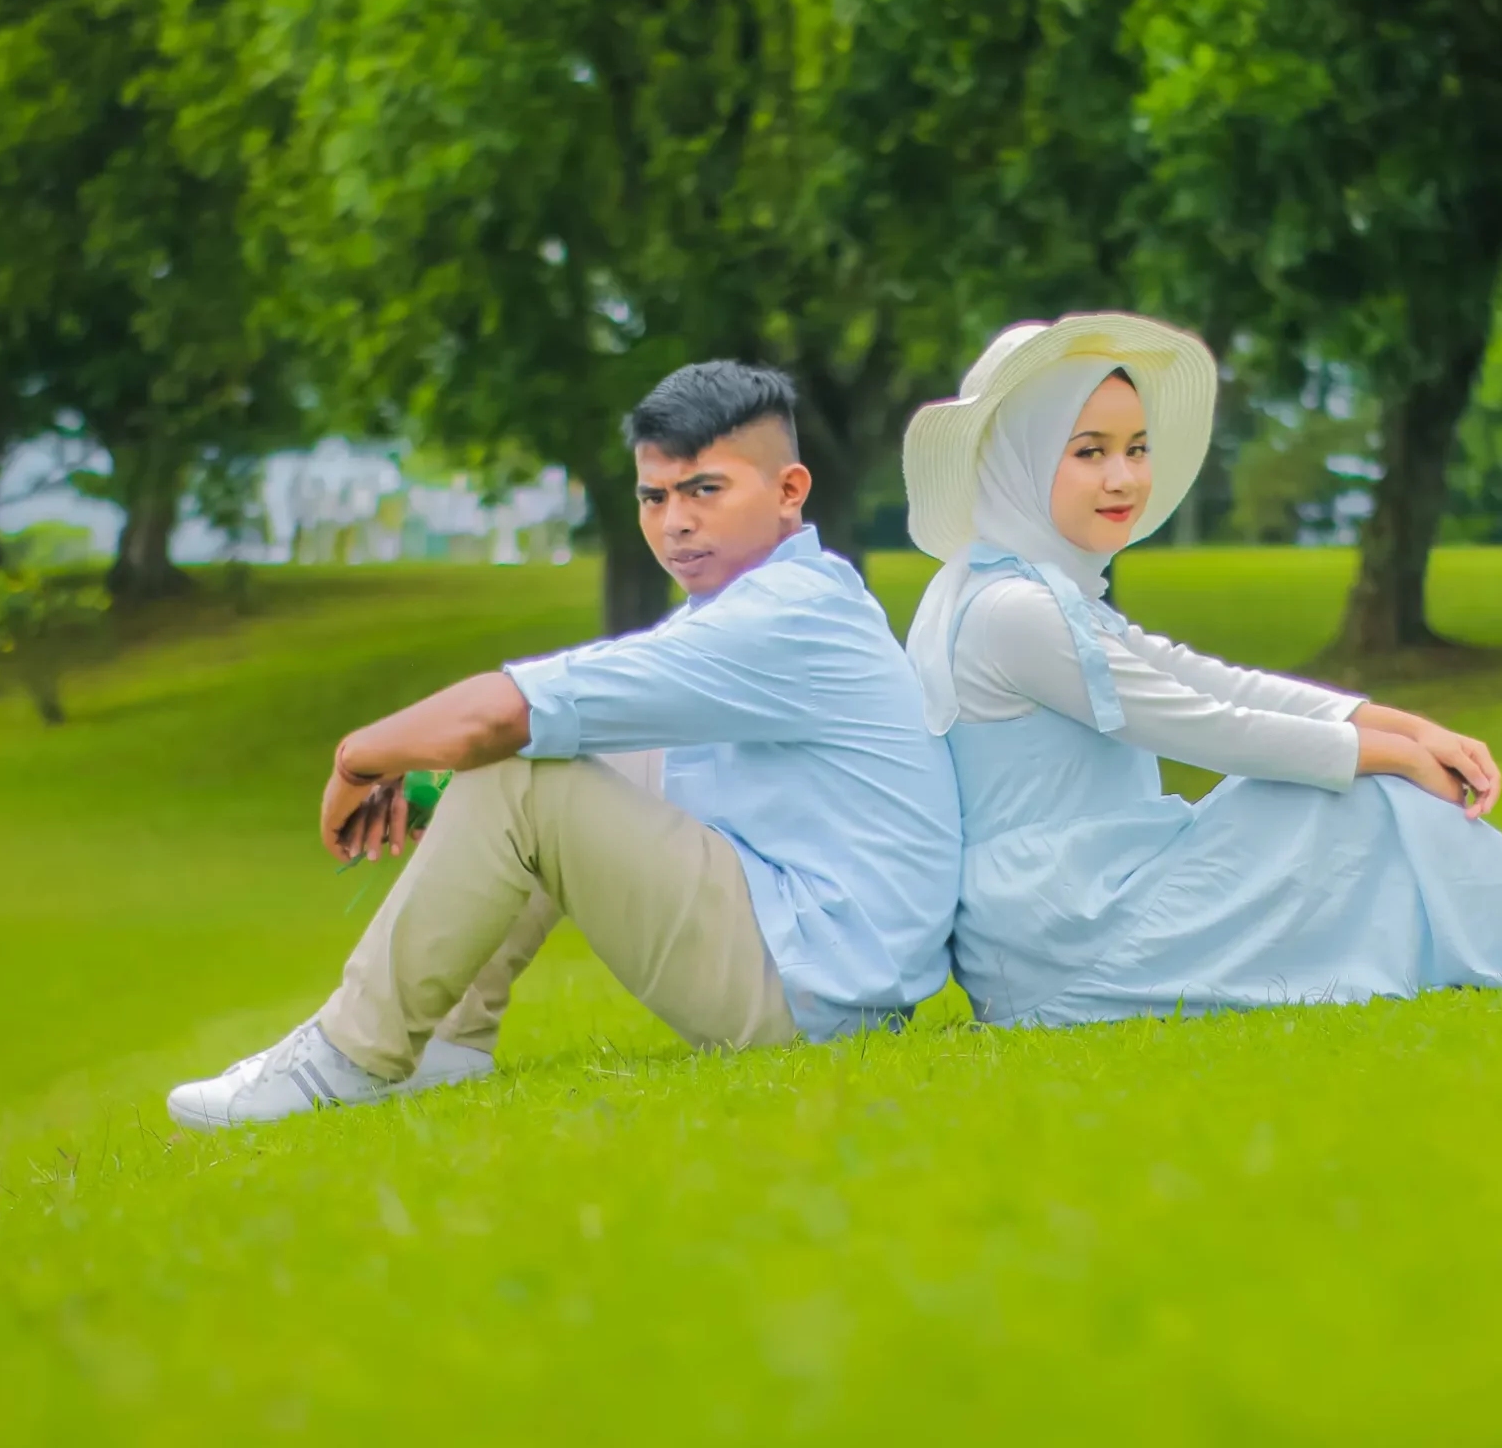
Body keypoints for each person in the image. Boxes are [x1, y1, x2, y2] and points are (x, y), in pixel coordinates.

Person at [902, 314, 1502, 1030]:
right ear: (1019, 459)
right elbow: (1202, 727)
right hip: (1065, 940)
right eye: (1089, 450)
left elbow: (1214, 681)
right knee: (1351, 793)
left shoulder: (1046, 594)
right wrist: (1390, 755)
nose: (1124, 476)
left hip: (1094, 899)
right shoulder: (1013, 611)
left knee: (1354, 792)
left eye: (1136, 447)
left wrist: (1404, 725)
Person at [168, 362, 963, 1128]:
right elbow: (573, 720)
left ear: (789, 490)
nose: (675, 522)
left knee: (522, 769)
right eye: (653, 496)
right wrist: (435, 782)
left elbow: (507, 715)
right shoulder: (758, 605)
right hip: (817, 969)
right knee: (533, 754)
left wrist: (360, 757)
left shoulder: (789, 614)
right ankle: (442, 1038)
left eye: (704, 490)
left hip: (815, 991)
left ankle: (347, 1055)